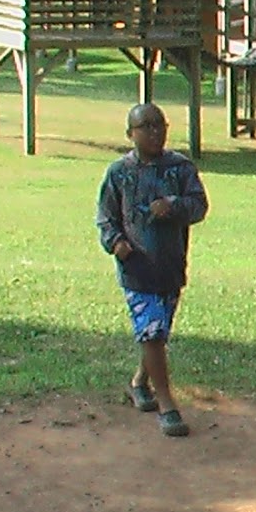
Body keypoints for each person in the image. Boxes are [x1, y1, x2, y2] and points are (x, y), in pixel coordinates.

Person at [96, 102, 209, 438]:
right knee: (153, 332)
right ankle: (168, 405)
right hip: (137, 269)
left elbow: (199, 206)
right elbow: (105, 216)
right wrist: (116, 242)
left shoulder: (180, 168)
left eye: (160, 125)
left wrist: (173, 206)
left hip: (170, 266)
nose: (155, 132)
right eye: (146, 127)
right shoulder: (119, 173)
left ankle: (139, 382)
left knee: (158, 332)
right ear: (130, 134)